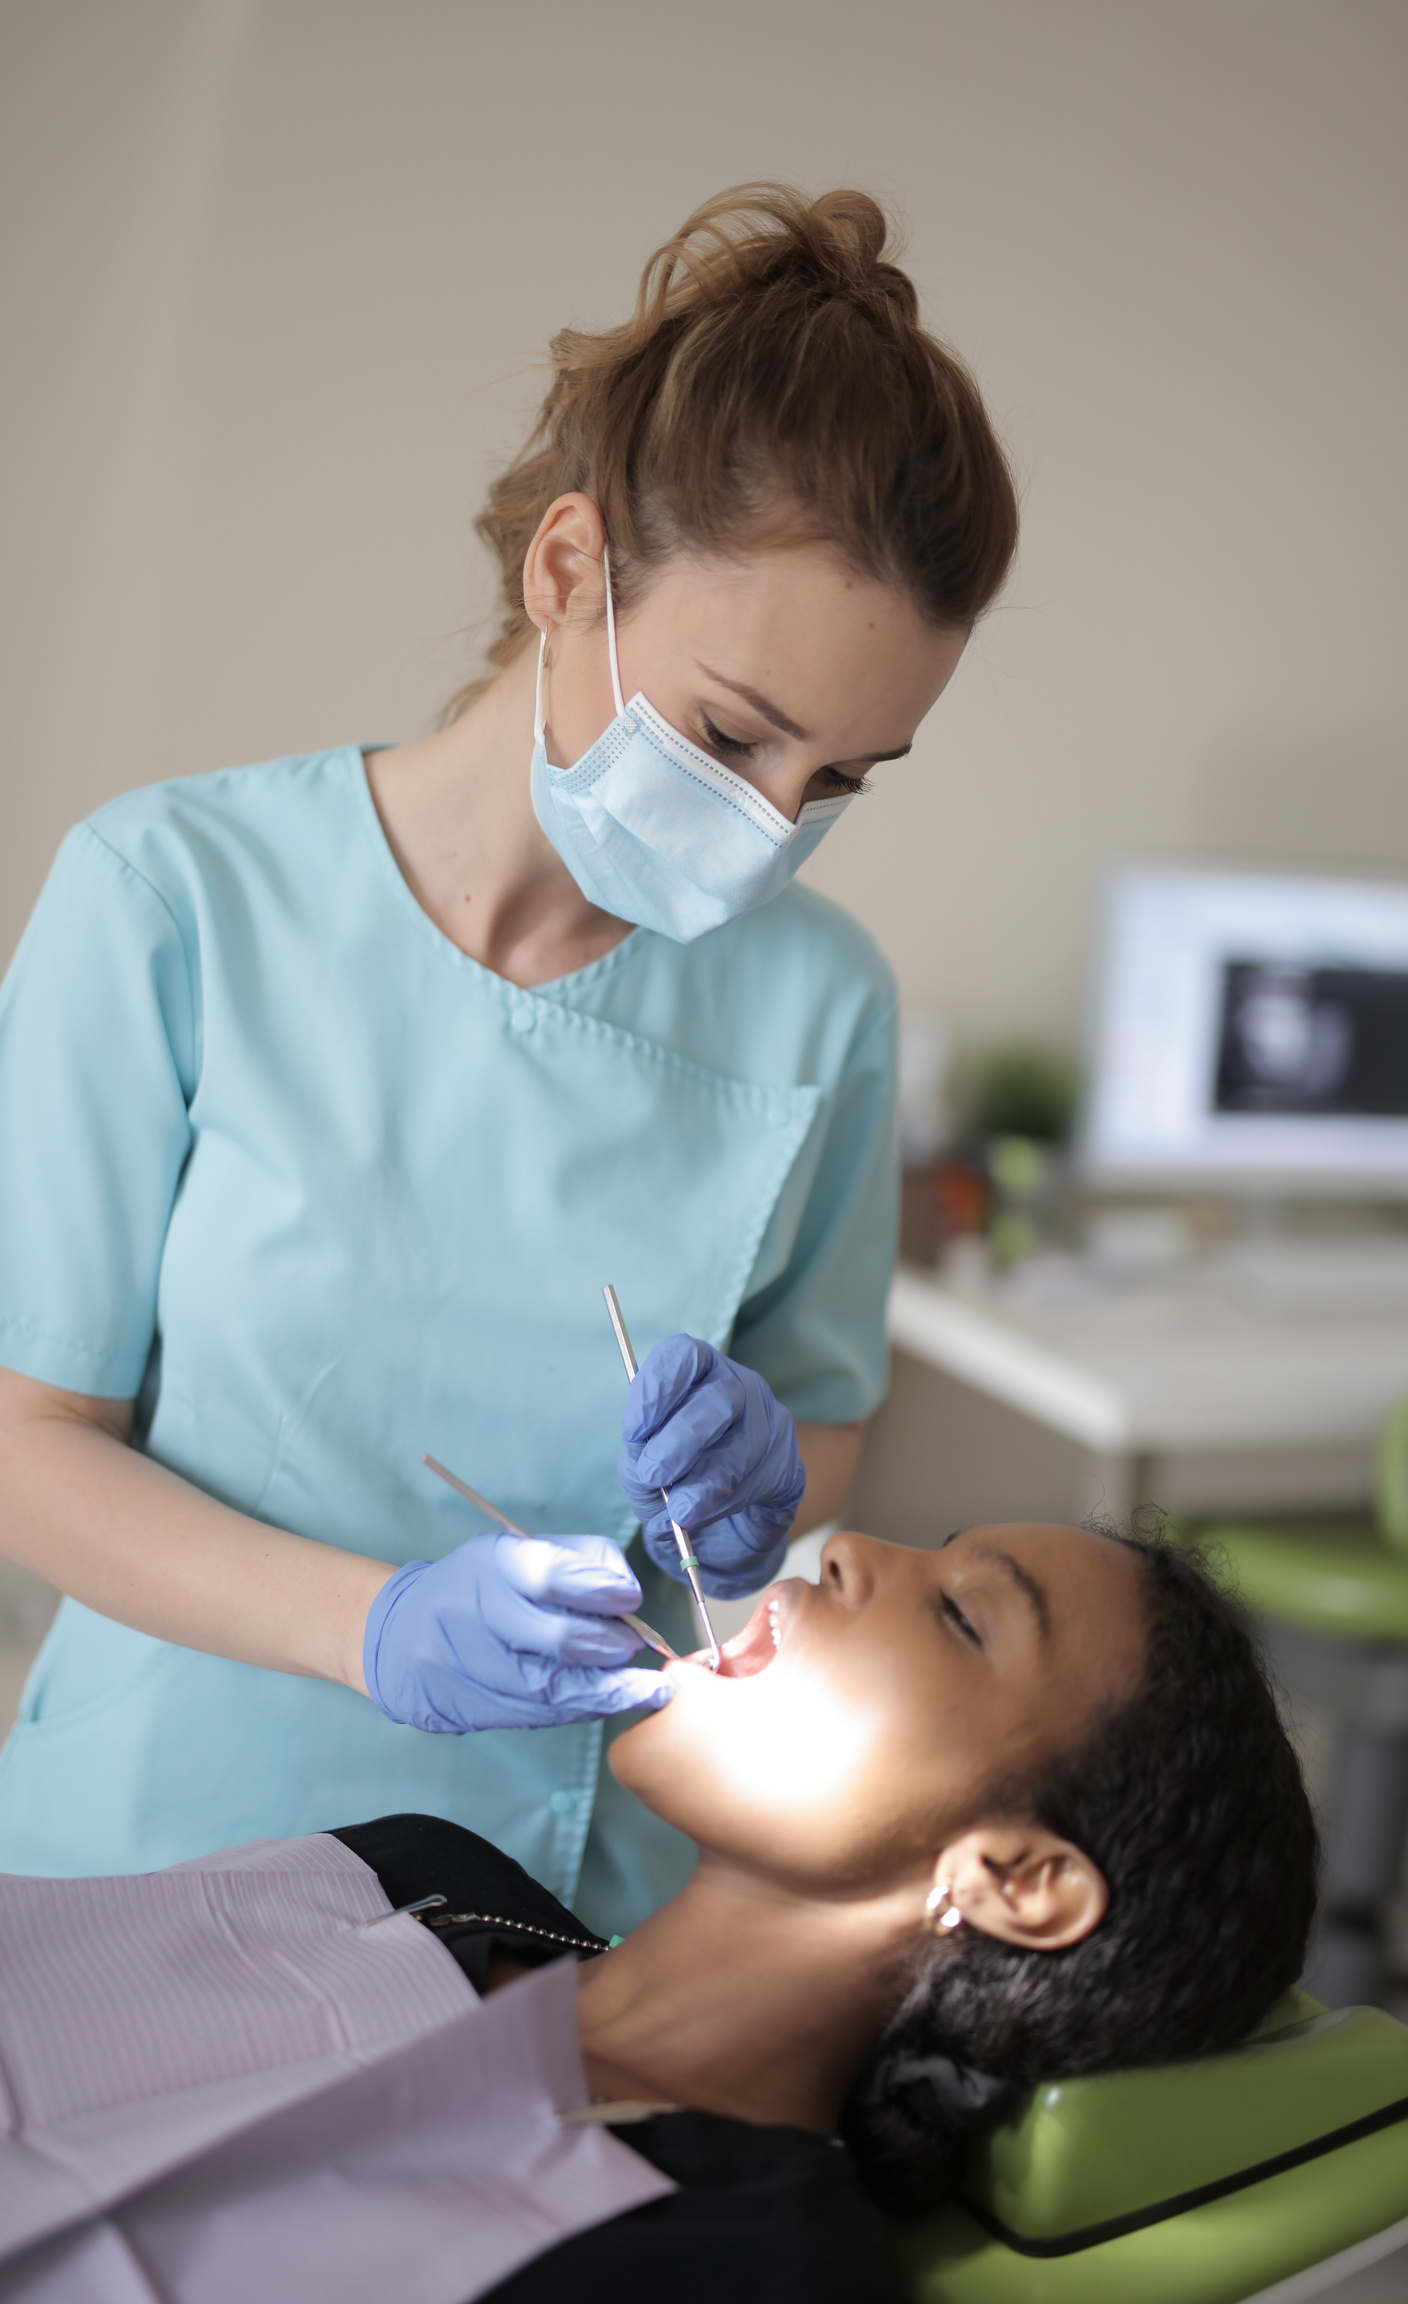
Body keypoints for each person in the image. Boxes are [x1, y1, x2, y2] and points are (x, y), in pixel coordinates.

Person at [0, 184, 1018, 1929]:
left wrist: (766, 1484)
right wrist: (372, 1629)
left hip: (562, 1905)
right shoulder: (172, 896)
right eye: (734, 734)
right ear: (570, 572)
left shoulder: (822, 1002)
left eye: (841, 779)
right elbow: (27, 1439)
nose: (775, 828)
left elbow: (824, 1439)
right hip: (146, 1858)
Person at [0, 1524, 1319, 2304]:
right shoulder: (416, 1870)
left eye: (966, 1617)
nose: (851, 1546)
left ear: (1016, 1883)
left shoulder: (753, 2264)